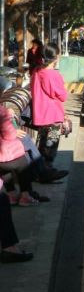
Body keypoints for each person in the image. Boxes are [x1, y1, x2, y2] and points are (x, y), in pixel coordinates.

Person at [0, 98, 33, 263]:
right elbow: (9, 133)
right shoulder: (1, 111)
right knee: (23, 162)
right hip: (6, 156)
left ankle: (13, 193)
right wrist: (11, 119)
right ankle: (9, 248)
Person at [30, 45, 69, 170]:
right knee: (50, 146)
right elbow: (62, 96)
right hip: (52, 114)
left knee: (41, 144)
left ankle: (37, 171)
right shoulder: (52, 75)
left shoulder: (37, 71)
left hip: (40, 112)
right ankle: (45, 172)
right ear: (56, 57)